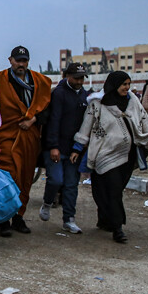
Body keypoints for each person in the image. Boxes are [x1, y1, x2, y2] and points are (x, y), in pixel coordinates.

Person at [72, 71, 148, 243]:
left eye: (128, 84)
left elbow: (145, 121)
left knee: (114, 190)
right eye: (123, 84)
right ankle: (117, 228)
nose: (127, 87)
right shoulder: (97, 104)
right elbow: (86, 126)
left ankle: (106, 220)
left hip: (128, 155)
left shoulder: (133, 101)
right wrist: (77, 148)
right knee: (109, 190)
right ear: (114, 84)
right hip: (104, 154)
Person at [0, 45, 51, 236]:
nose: (21, 64)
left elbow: (45, 108)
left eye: (24, 61)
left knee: (26, 177)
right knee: (7, 177)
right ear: (10, 60)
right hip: (6, 136)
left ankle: (18, 217)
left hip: (30, 137)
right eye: (18, 60)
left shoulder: (39, 81)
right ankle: (3, 220)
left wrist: (33, 120)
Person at [40, 63, 89, 234]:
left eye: (82, 78)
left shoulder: (85, 96)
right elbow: (53, 121)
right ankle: (47, 202)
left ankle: (69, 219)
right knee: (56, 180)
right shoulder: (59, 94)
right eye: (76, 78)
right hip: (55, 147)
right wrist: (53, 146)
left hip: (74, 150)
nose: (79, 81)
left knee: (71, 185)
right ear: (67, 76)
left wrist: (79, 148)